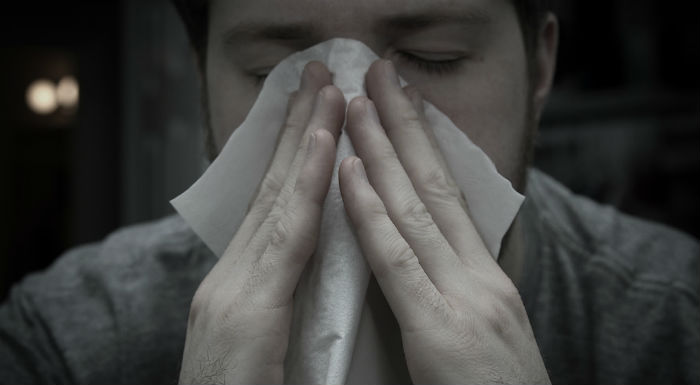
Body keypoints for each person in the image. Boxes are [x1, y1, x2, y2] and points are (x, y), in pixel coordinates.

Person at [0, 0, 697, 384]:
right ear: (201, 75)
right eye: (278, 68)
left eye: (435, 57)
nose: (354, 131)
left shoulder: (677, 325)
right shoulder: (65, 341)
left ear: (541, 66)